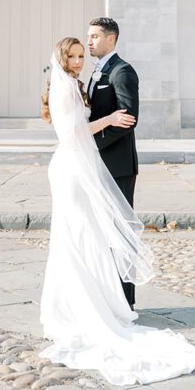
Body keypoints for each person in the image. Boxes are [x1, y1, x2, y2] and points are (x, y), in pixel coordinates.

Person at [39, 36, 195, 387]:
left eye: (80, 55)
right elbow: (70, 134)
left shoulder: (76, 84)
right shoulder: (63, 89)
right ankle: (73, 308)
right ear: (61, 59)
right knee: (77, 235)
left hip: (80, 167)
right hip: (70, 169)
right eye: (72, 56)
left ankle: (92, 301)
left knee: (86, 235)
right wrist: (108, 120)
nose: (78, 60)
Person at [87, 16, 139, 309]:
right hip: (98, 164)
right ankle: (108, 295)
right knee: (102, 232)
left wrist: (91, 144)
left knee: (120, 232)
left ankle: (125, 301)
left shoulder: (122, 72)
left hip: (117, 165)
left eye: (94, 36)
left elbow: (128, 120)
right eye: (89, 36)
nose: (89, 41)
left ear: (111, 39)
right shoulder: (98, 72)